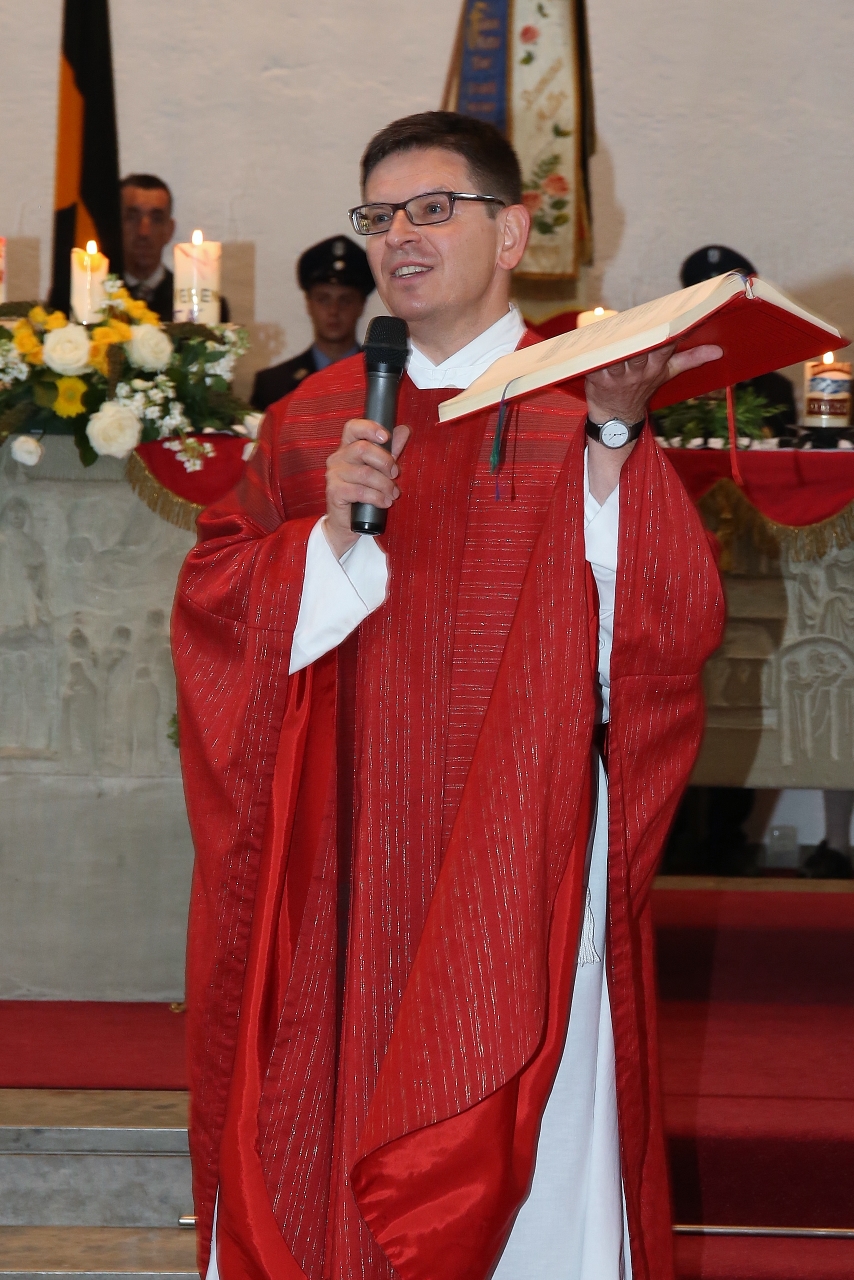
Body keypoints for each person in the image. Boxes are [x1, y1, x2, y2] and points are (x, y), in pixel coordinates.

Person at [174, 111, 725, 1280]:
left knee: (521, 1149)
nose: (397, 237)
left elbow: (658, 632)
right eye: (378, 215)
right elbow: (214, 603)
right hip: (341, 863)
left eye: (432, 209)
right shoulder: (313, 421)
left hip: (514, 857)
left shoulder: (582, 406)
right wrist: (323, 540)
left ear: (511, 231)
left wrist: (614, 440)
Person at [680, 245, 797, 434]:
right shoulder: (663, 386)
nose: (717, 321)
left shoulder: (775, 390)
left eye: (729, 311)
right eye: (708, 310)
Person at [250, 236, 375, 411]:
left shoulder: (385, 379)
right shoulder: (274, 385)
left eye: (345, 300)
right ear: (308, 304)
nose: (334, 311)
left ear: (361, 305)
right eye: (323, 300)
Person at [120, 174, 229, 321]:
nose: (144, 232)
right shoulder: (98, 298)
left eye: (156, 219)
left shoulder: (207, 308)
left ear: (169, 230)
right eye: (132, 217)